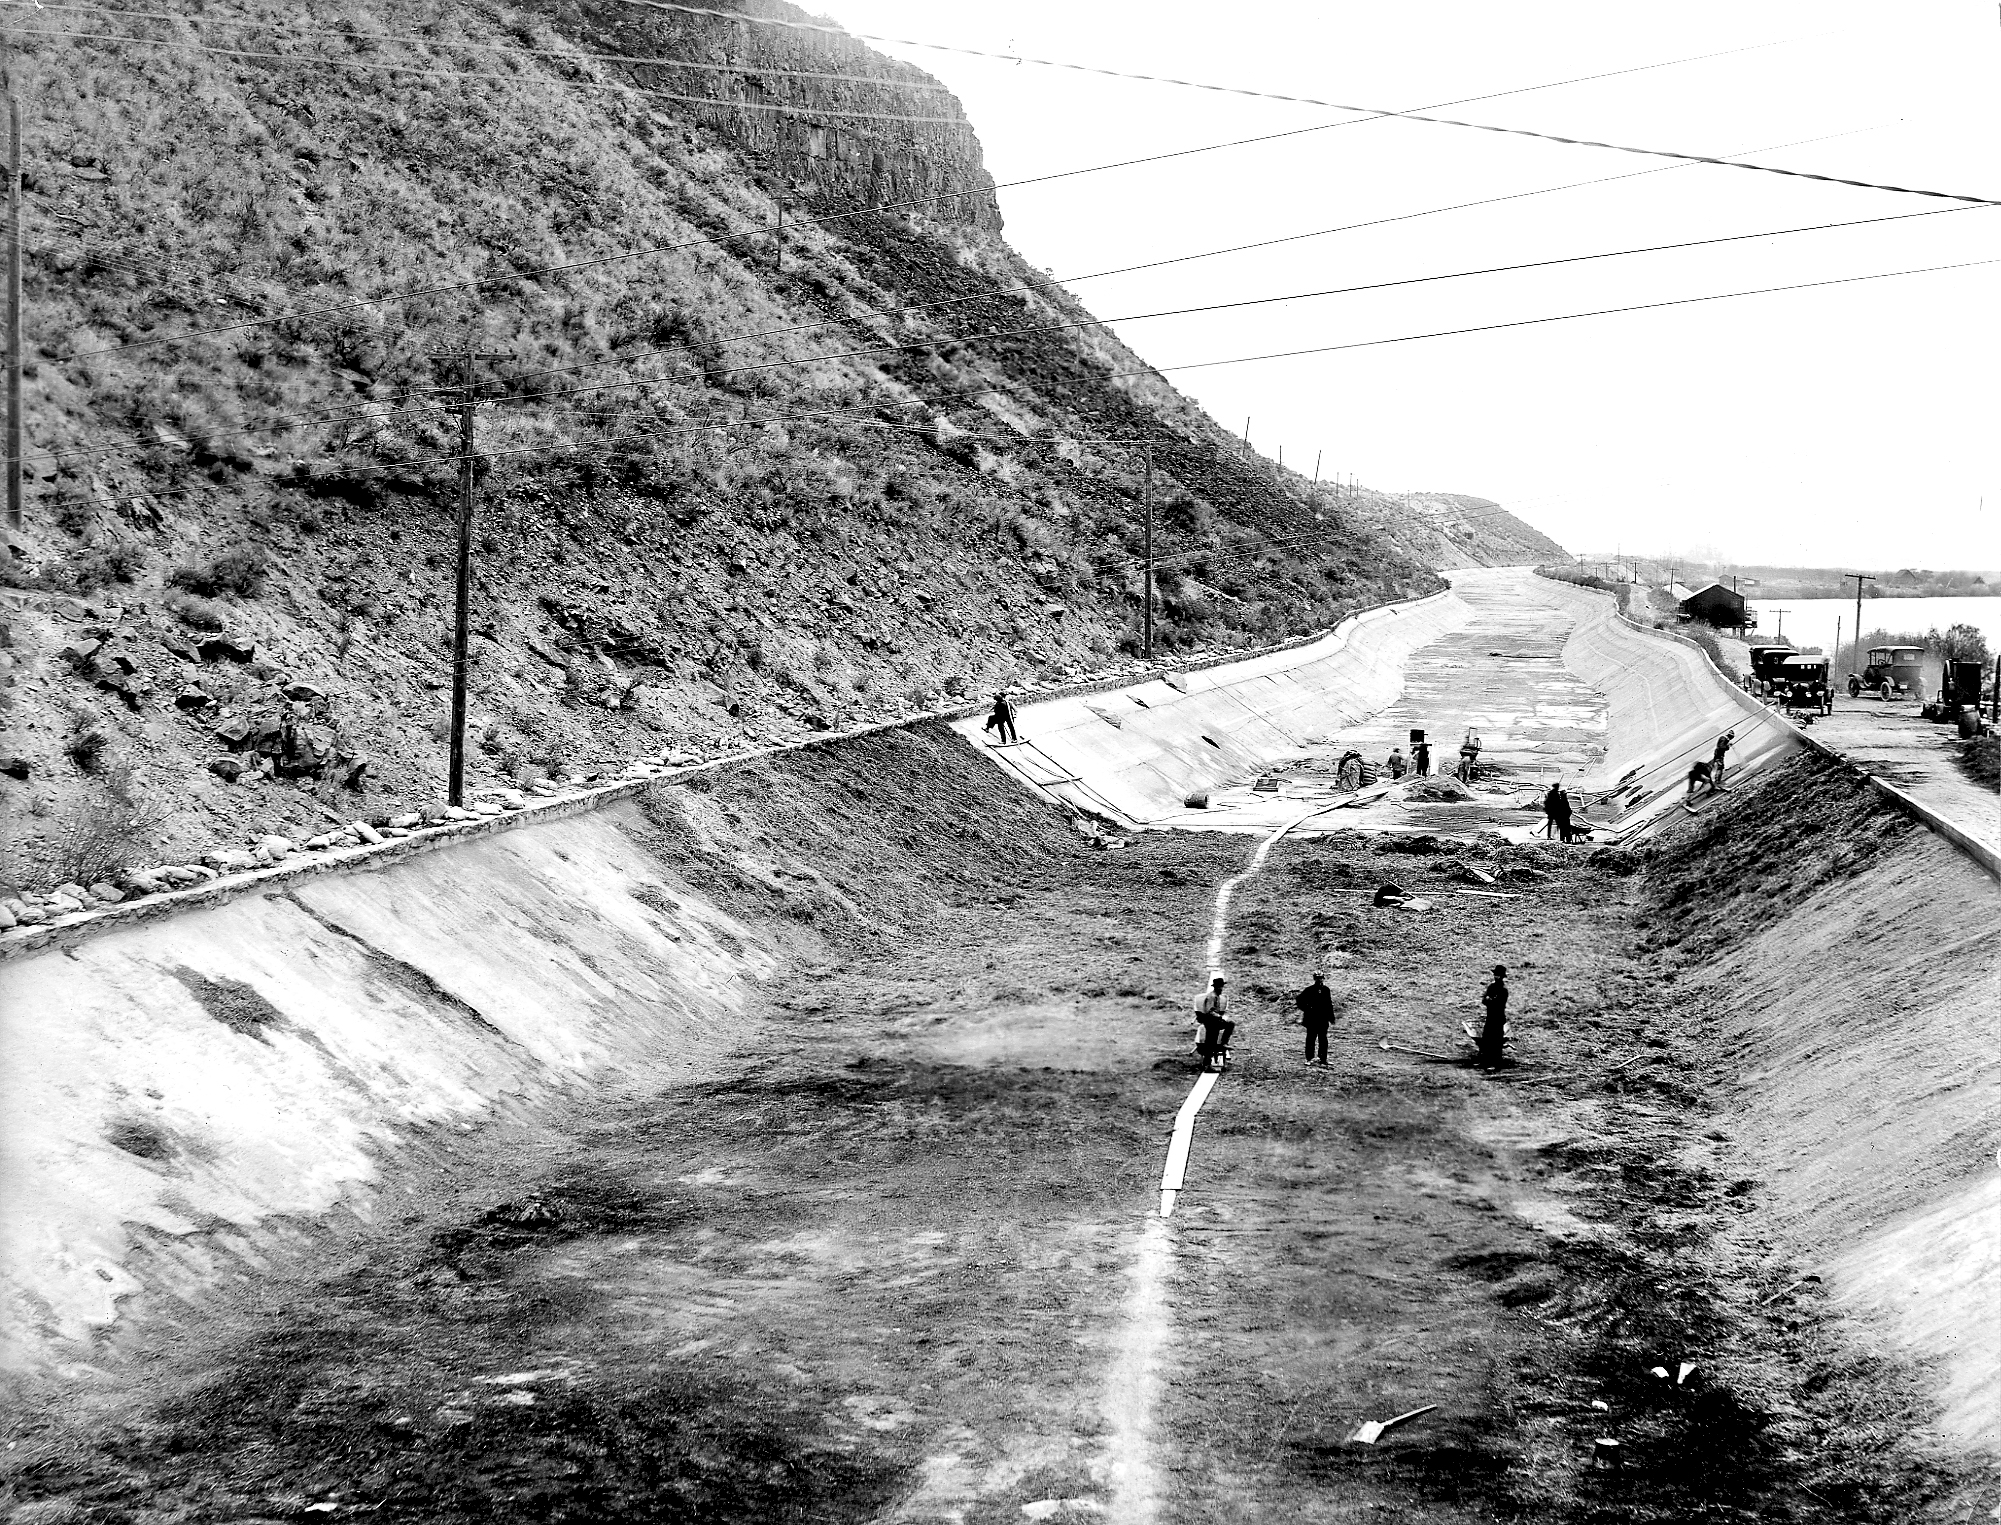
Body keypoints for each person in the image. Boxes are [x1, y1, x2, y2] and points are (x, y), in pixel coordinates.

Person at [1295, 972, 1336, 1065]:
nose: (1320, 980)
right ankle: (1309, 1059)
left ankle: (1323, 1059)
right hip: (1312, 1019)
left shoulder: (1326, 990)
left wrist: (1331, 1017)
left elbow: (1329, 1004)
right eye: (1318, 978)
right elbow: (1299, 1000)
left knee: (1323, 1039)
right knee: (1311, 1038)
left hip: (1323, 1019)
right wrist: (1307, 1008)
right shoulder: (1309, 990)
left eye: (1321, 978)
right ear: (1314, 979)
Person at [1195, 977, 1235, 1070]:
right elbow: (1209, 1011)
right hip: (1211, 1021)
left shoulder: (1216, 996)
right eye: (1220, 987)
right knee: (1210, 1042)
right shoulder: (1212, 996)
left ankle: (1223, 1043)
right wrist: (1220, 1017)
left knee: (1212, 1041)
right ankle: (1207, 1065)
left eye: (1222, 987)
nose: (1221, 989)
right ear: (1216, 987)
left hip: (1214, 1021)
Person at [1479, 965, 1509, 1068]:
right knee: (1486, 1039)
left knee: (1496, 1042)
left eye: (1498, 975)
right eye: (1495, 975)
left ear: (1502, 977)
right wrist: (1490, 1000)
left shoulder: (1503, 990)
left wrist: (1490, 1000)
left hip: (1498, 1018)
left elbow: (1498, 1004)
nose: (1496, 977)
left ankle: (1496, 1064)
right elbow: (1484, 1000)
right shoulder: (1491, 987)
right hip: (1490, 1017)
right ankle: (1485, 1061)